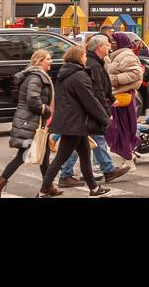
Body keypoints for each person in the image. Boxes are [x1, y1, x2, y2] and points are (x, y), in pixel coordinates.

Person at [41, 45, 112, 197]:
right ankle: (43, 190)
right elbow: (90, 101)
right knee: (60, 158)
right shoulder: (79, 76)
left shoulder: (65, 74)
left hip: (73, 123)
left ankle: (94, 188)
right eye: (84, 55)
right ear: (79, 57)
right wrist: (104, 118)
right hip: (75, 124)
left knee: (85, 155)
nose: (86, 57)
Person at [57, 34, 126, 187]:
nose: (109, 47)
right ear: (99, 47)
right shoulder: (93, 64)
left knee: (89, 142)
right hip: (88, 111)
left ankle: (103, 172)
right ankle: (66, 175)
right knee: (81, 143)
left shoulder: (97, 62)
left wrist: (111, 99)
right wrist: (105, 111)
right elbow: (96, 90)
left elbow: (102, 86)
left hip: (89, 110)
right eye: (107, 44)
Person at [0, 50, 55, 198]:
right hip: (30, 122)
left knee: (44, 154)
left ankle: (48, 186)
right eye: (48, 59)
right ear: (39, 61)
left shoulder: (37, 76)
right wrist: (46, 110)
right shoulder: (36, 77)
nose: (51, 62)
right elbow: (32, 100)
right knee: (22, 156)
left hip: (33, 121)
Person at [105, 31, 144, 166]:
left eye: (114, 42)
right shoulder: (118, 55)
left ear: (121, 43)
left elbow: (136, 73)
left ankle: (128, 158)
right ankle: (127, 157)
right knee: (119, 129)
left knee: (122, 129)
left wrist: (115, 79)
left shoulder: (127, 56)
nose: (111, 44)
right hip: (118, 96)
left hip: (123, 97)